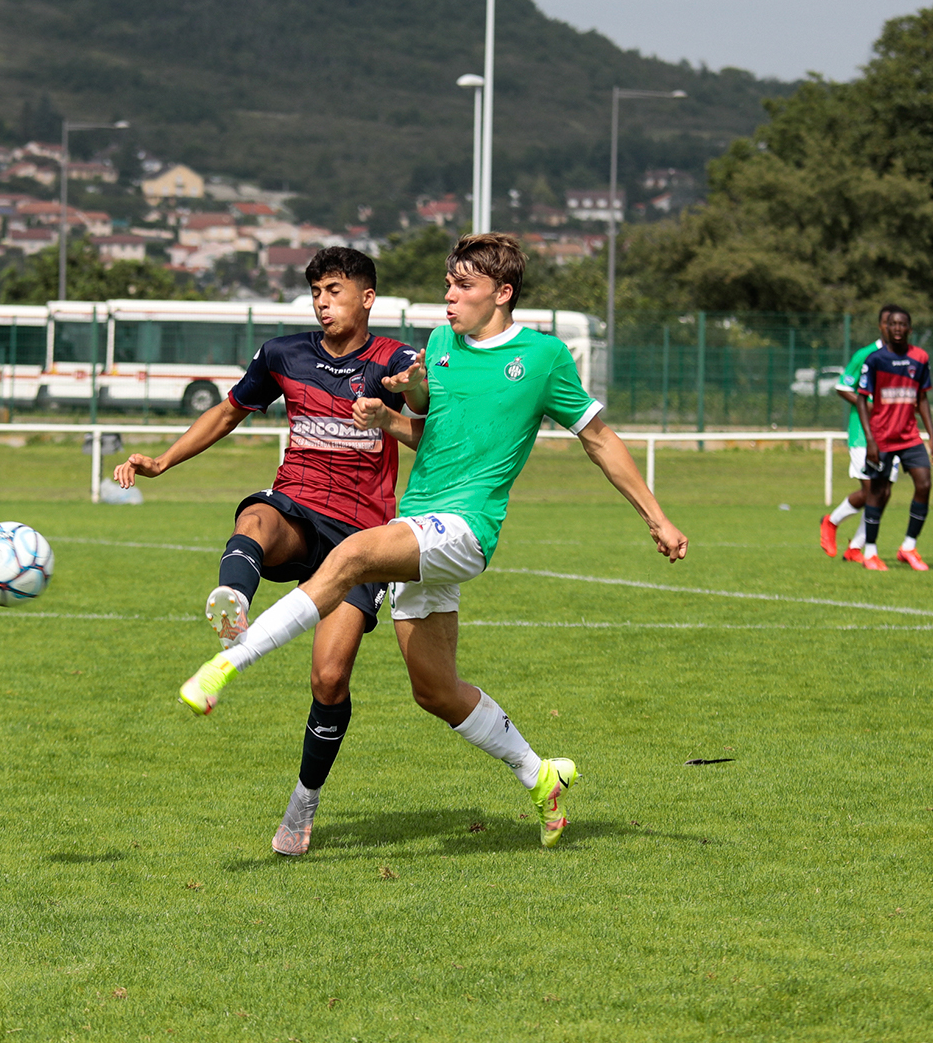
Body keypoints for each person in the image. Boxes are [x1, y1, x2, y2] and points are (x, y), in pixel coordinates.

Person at [178, 233, 688, 850]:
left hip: (466, 529)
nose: (447, 298)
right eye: (448, 284)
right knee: (435, 690)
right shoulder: (440, 346)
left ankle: (230, 660)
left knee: (353, 554)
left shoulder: (545, 357)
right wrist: (391, 416)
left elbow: (600, 438)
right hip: (419, 528)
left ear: (501, 294)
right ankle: (540, 774)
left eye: (462, 287)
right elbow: (429, 435)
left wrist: (656, 517)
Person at [113, 246, 421, 855]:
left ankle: (303, 804)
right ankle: (234, 602)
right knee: (256, 514)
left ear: (367, 298)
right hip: (298, 509)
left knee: (329, 679)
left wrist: (396, 406)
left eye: (334, 290)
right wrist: (163, 461)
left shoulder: (395, 359)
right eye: (315, 293)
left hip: (362, 538)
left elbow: (430, 424)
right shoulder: (283, 353)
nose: (322, 302)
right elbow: (230, 410)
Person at [853, 306, 933, 571]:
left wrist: (932, 437)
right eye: (894, 324)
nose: (899, 329)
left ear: (910, 329)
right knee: (878, 492)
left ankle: (909, 547)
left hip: (910, 436)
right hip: (882, 436)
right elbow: (860, 398)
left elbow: (922, 398)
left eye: (903, 324)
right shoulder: (875, 359)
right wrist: (870, 440)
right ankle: (870, 552)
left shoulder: (920, 358)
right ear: (885, 328)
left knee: (924, 484)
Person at [821, 309, 897, 562]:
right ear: (880, 326)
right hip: (863, 434)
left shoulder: (904, 358)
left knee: (883, 493)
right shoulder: (865, 355)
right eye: (888, 323)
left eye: (898, 324)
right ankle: (832, 521)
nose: (893, 328)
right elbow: (842, 386)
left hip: (893, 435)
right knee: (872, 490)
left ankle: (855, 546)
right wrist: (872, 407)